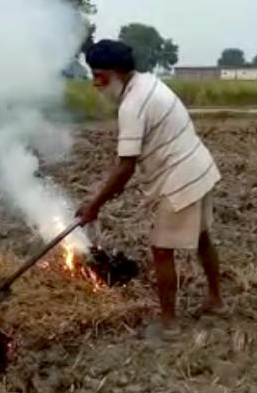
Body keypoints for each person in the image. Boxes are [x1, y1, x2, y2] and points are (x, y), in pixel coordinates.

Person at [75, 39, 224, 337]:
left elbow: (125, 167)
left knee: (161, 250)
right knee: (203, 237)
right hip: (199, 167)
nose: (96, 84)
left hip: (180, 179)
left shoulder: (132, 105)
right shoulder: (148, 83)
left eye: (99, 76)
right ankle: (216, 300)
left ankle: (168, 323)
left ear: (116, 72)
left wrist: (94, 205)